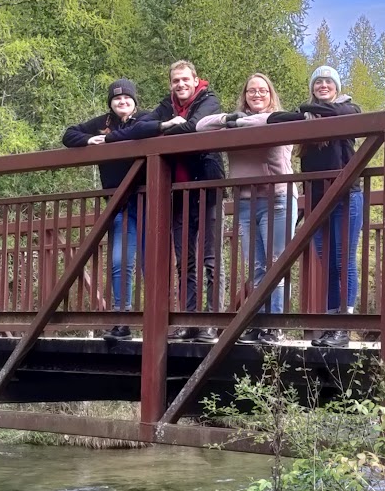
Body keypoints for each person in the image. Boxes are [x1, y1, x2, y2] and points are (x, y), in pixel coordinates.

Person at [107, 60, 224, 339]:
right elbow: (138, 128)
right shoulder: (166, 106)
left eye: (185, 80)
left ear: (196, 80)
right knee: (185, 261)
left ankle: (210, 322)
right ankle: (187, 320)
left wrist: (161, 129)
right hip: (176, 192)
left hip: (206, 187)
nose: (181, 85)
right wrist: (167, 123)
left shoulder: (209, 100)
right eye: (175, 81)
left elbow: (195, 127)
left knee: (210, 259)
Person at [196, 72, 296, 344]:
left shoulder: (280, 118)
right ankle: (258, 323)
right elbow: (201, 125)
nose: (257, 95)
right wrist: (229, 119)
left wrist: (240, 123)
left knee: (276, 264)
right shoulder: (234, 122)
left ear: (271, 94)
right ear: (245, 95)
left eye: (262, 90)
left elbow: (268, 121)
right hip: (244, 204)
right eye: (251, 91)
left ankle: (274, 327)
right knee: (256, 267)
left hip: (278, 199)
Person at [62, 79, 144, 340]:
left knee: (150, 263)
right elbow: (68, 135)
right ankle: (122, 321)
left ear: (134, 101)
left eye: (127, 98)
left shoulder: (145, 120)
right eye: (117, 98)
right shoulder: (103, 123)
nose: (122, 102)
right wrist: (90, 140)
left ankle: (159, 322)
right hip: (118, 202)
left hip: (148, 200)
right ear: (110, 102)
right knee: (120, 262)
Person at [298, 64, 364, 346]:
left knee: (343, 260)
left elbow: (342, 114)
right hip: (317, 201)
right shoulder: (305, 117)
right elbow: (278, 118)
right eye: (318, 82)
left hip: (347, 197)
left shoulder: (349, 109)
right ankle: (328, 324)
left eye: (328, 82)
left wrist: (307, 112)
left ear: (337, 87)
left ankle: (343, 326)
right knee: (327, 264)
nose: (323, 85)